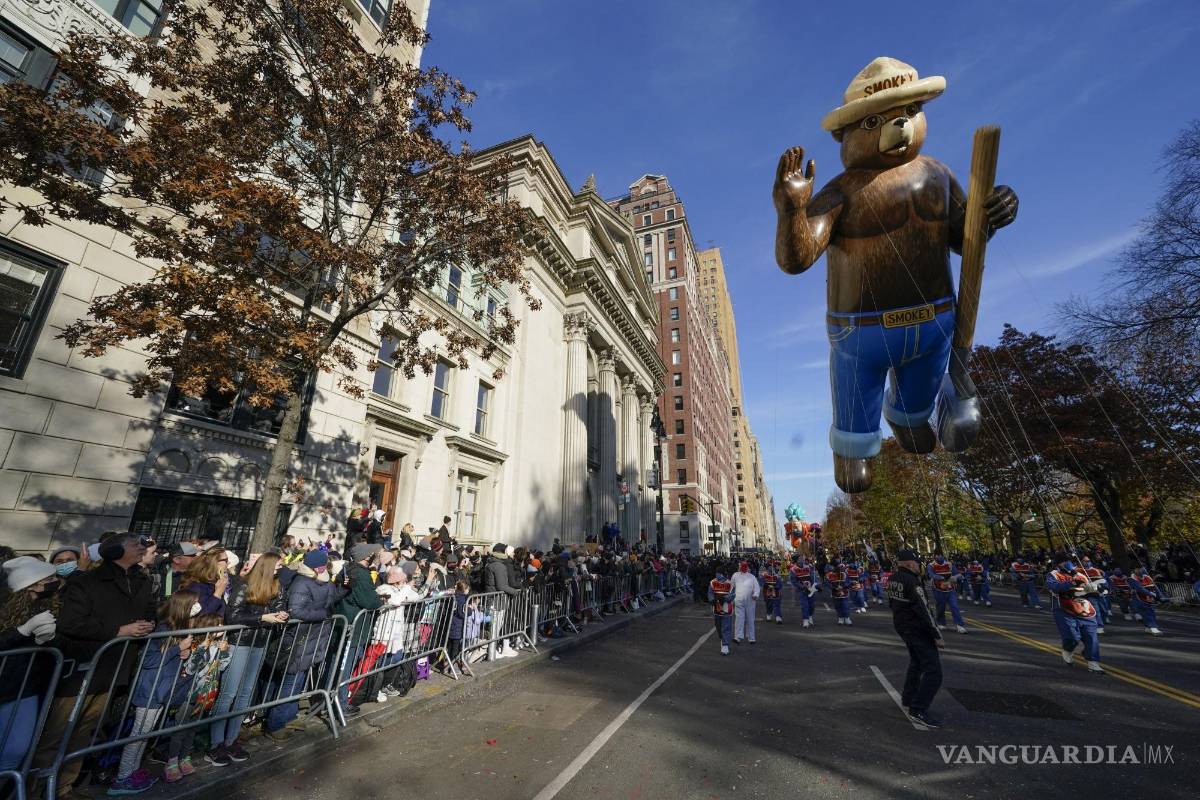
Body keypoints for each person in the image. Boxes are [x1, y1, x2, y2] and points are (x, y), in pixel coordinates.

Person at [35, 532, 157, 798]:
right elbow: (70, 623)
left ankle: (64, 787)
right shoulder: (87, 581)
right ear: (115, 551)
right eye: (136, 544)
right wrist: (118, 630)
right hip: (81, 667)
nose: (142, 548)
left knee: (84, 732)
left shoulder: (142, 581)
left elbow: (149, 611)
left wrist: (149, 624)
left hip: (114, 668)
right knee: (59, 732)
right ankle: (37, 790)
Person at [206, 552, 289, 766]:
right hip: (240, 642)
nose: (281, 568)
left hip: (260, 643)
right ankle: (216, 744)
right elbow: (233, 616)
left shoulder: (276, 586)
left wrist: (281, 615)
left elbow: (279, 607)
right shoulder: (244, 586)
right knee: (229, 693)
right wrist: (262, 617)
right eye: (278, 565)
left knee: (245, 693)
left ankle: (231, 739)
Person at [110, 590, 197, 795]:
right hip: (150, 690)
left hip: (160, 690)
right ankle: (123, 778)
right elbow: (149, 661)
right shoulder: (163, 628)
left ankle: (132, 771)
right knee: (138, 735)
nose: (198, 607)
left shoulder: (179, 628)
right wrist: (178, 649)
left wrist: (183, 652)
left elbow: (168, 657)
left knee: (145, 735)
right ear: (183, 606)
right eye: (195, 603)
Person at [0, 558, 62, 774]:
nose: (56, 582)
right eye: (50, 579)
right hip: (5, 683)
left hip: (24, 688)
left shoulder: (49, 606)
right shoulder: (4, 607)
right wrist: (22, 631)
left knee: (16, 749)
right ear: (33, 583)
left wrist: (43, 642)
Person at [887, 549, 945, 728]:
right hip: (917, 628)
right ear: (910, 564)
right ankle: (918, 709)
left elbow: (892, 603)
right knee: (934, 671)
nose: (919, 566)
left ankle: (909, 697)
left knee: (917, 662)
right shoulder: (912, 582)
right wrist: (936, 634)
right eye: (917, 563)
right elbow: (923, 609)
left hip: (902, 625)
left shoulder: (893, 578)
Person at [1044, 557, 1104, 673]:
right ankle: (1068, 649)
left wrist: (1096, 589)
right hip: (1064, 610)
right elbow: (1055, 588)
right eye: (1064, 562)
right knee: (1072, 637)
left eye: (1071, 562)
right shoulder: (1053, 575)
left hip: (1085, 610)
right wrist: (1071, 582)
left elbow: (1091, 591)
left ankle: (1093, 663)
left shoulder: (1082, 575)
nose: (1068, 564)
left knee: (1092, 637)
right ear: (1058, 564)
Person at [179, 547, 229, 616]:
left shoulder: (216, 583)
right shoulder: (196, 587)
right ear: (214, 562)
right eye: (225, 560)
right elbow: (200, 616)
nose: (228, 563)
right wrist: (217, 595)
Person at [927, 553, 967, 634]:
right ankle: (941, 622)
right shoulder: (931, 565)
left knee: (954, 606)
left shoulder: (949, 564)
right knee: (940, 607)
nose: (939, 557)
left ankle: (960, 625)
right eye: (937, 555)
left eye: (940, 555)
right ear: (935, 556)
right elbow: (931, 574)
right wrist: (941, 578)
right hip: (938, 589)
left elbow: (957, 574)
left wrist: (956, 577)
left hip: (950, 589)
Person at [1128, 565, 1166, 636]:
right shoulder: (1132, 579)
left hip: (1149, 599)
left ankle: (1148, 627)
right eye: (1138, 575)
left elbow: (1155, 586)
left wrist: (1160, 597)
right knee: (1147, 612)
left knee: (1151, 612)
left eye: (1141, 575)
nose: (1141, 577)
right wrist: (1150, 593)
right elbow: (1140, 589)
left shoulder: (1147, 577)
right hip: (1138, 599)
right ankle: (1153, 627)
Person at [708, 567, 736, 656]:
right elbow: (710, 592)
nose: (716, 574)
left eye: (718, 573)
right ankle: (722, 637)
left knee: (726, 626)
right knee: (718, 625)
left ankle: (725, 645)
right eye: (716, 573)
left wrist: (725, 598)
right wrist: (712, 599)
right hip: (716, 607)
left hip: (727, 607)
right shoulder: (713, 582)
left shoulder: (730, 583)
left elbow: (733, 594)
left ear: (723, 574)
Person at [730, 561, 760, 643]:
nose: (742, 568)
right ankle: (738, 636)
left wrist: (755, 594)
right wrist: (730, 597)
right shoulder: (735, 575)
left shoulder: (752, 577)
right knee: (739, 619)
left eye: (744, 567)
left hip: (750, 600)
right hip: (739, 599)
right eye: (741, 566)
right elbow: (731, 586)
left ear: (747, 567)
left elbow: (757, 587)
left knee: (750, 619)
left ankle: (751, 637)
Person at [1079, 557, 1110, 633]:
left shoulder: (1095, 571)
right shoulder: (1078, 571)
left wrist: (1105, 589)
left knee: (1104, 610)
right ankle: (1099, 626)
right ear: (1081, 562)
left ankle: (1103, 619)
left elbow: (1103, 582)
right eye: (1085, 561)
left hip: (1099, 593)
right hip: (1088, 594)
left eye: (1088, 561)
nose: (1087, 562)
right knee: (1096, 610)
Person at [789, 556, 818, 627]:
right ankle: (805, 620)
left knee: (812, 605)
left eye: (802, 558)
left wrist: (816, 584)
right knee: (804, 605)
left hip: (811, 589)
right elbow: (794, 581)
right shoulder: (793, 569)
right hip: (802, 590)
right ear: (796, 561)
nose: (802, 560)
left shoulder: (808, 567)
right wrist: (802, 586)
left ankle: (810, 616)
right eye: (800, 559)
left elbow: (813, 577)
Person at [825, 558, 852, 625]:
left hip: (844, 593)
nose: (837, 567)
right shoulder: (829, 575)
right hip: (835, 593)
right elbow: (827, 583)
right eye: (835, 566)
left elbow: (848, 582)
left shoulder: (844, 574)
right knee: (838, 606)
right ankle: (840, 618)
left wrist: (844, 586)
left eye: (839, 565)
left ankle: (847, 618)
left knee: (845, 605)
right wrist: (834, 587)